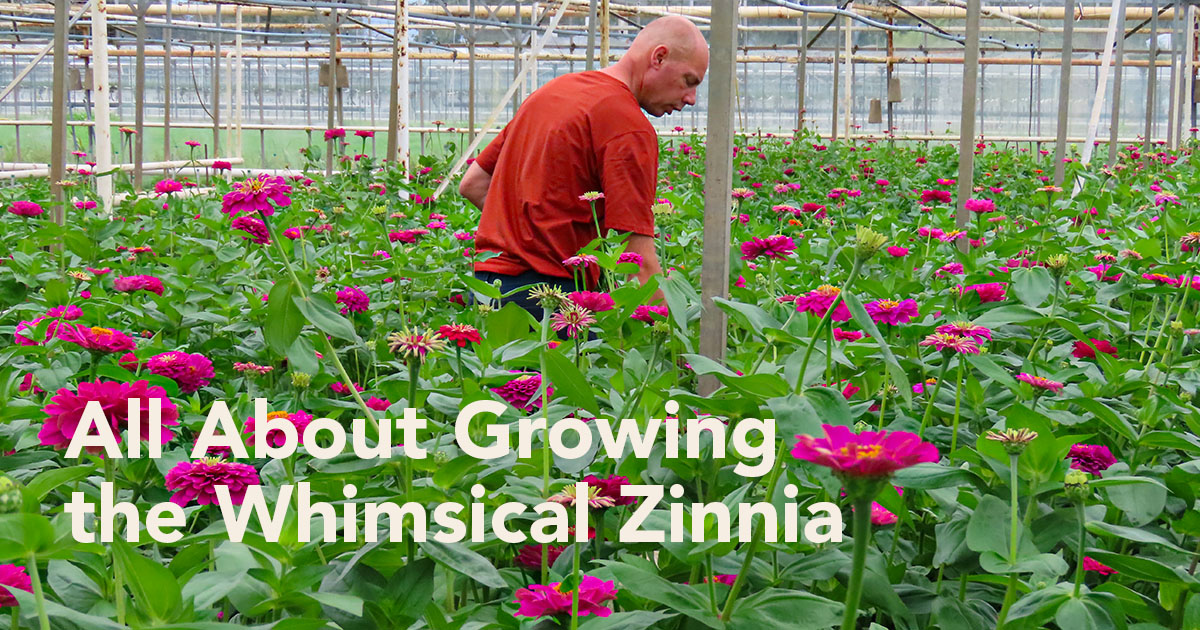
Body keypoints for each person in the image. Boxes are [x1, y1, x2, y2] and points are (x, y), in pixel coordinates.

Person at [458, 15, 709, 317]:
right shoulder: (628, 126)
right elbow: (635, 257)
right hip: (549, 301)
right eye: (689, 81)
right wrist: (673, 344)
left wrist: (528, 235)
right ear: (659, 57)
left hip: (486, 290)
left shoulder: (553, 92)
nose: (691, 99)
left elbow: (474, 183)